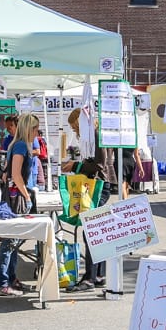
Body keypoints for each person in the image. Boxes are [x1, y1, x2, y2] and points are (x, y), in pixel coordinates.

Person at [0, 113, 40, 296]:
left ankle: (10, 279)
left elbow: (9, 174)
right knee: (10, 241)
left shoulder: (18, 144)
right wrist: (26, 195)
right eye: (35, 128)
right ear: (29, 128)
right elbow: (15, 174)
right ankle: (2, 282)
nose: (37, 132)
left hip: (15, 196)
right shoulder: (20, 145)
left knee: (13, 241)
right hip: (18, 198)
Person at [67, 121, 115, 293]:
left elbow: (99, 164)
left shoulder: (96, 134)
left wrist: (75, 166)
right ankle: (99, 274)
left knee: (91, 231)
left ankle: (90, 278)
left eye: (74, 127)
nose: (74, 130)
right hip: (99, 183)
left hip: (98, 185)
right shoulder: (95, 134)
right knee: (95, 231)